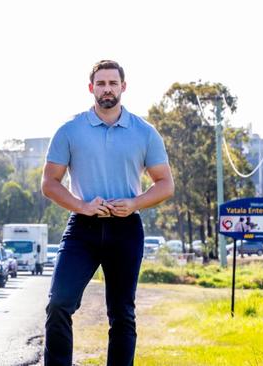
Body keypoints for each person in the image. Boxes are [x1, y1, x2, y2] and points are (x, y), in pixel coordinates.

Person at [41, 60, 174, 366]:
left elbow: (165, 184)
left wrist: (136, 203)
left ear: (123, 87)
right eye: (101, 84)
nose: (107, 89)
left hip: (126, 229)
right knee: (59, 303)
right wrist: (82, 206)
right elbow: (49, 183)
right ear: (91, 89)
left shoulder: (144, 132)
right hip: (83, 228)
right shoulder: (70, 130)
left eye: (113, 83)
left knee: (122, 314)